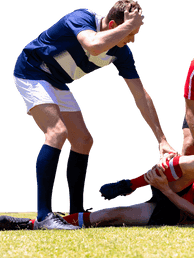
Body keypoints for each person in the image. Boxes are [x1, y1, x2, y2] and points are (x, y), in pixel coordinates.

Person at [12, 0, 176, 230]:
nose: (133, 39)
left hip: (56, 82)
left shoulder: (121, 52)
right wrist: (127, 26)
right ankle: (43, 216)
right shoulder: (81, 18)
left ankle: (76, 213)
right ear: (111, 25)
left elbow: (141, 95)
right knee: (57, 132)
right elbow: (94, 46)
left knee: (83, 140)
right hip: (31, 71)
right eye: (131, 32)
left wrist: (162, 140)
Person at [0, 155, 194, 230]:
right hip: (180, 185)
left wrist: (165, 189)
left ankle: (36, 224)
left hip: (175, 207)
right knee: (191, 161)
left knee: (113, 215)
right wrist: (170, 172)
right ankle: (130, 183)